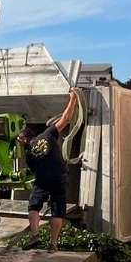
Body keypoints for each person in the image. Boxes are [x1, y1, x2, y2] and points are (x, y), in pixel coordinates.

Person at [18, 88, 81, 252]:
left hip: (43, 179)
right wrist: (73, 98)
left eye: (20, 140)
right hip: (59, 176)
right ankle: (53, 245)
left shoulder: (28, 153)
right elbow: (66, 118)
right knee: (57, 212)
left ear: (25, 138)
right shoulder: (48, 133)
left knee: (33, 207)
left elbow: (33, 170)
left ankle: (35, 235)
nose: (20, 143)